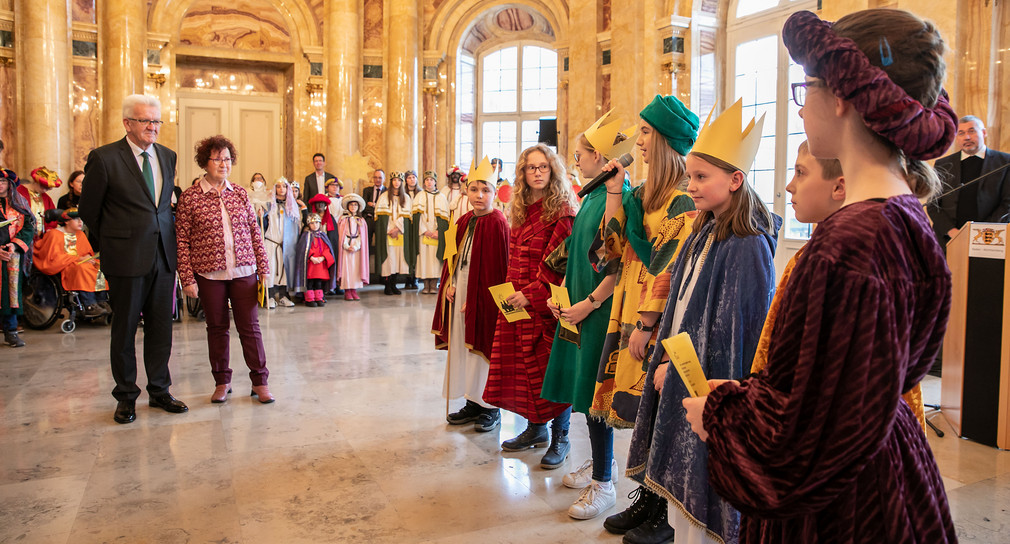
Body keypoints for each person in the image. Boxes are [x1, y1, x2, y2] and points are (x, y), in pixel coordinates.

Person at [685, 10, 959, 543]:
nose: (801, 102)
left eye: (803, 87)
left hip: (844, 504)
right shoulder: (902, 214)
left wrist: (721, 416)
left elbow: (805, 447)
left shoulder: (854, 242)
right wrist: (749, 397)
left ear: (837, 95)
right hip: (882, 464)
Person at [540, 111, 629, 521]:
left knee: (597, 397)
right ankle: (599, 462)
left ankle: (605, 485)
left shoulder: (619, 198)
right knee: (583, 390)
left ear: (600, 156)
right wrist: (563, 299)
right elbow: (581, 257)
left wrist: (589, 303)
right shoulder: (591, 195)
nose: (575, 162)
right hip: (578, 306)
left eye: (579, 155)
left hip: (599, 309)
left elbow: (617, 264)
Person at [78, 94, 188, 424]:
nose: (153, 127)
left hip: (163, 256)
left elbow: (163, 207)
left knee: (161, 327)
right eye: (146, 121)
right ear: (128, 123)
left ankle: (159, 390)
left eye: (157, 121)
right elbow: (89, 211)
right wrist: (112, 245)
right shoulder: (105, 157)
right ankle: (126, 396)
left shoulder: (168, 156)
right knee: (124, 328)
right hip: (125, 258)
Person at [483, 143, 578, 468]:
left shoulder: (563, 210)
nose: (537, 172)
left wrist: (532, 293)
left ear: (552, 171)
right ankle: (535, 429)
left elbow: (559, 264)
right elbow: (514, 256)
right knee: (526, 368)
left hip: (547, 303)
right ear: (523, 174)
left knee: (554, 371)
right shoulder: (520, 209)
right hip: (517, 302)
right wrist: (511, 294)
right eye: (530, 168)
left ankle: (560, 435)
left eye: (543, 167)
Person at [176, 135, 274, 404]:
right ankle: (222, 381)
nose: (223, 164)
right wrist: (187, 278)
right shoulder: (190, 197)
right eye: (217, 158)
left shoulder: (240, 193)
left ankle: (260, 381)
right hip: (209, 275)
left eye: (227, 159)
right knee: (217, 329)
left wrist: (263, 267)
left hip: (244, 271)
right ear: (204, 162)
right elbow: (181, 241)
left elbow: (255, 233)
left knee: (250, 329)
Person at [432, 156, 509, 432]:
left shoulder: (498, 222)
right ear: (466, 191)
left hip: (483, 298)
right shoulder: (463, 221)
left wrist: (478, 301)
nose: (479, 196)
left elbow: (499, 271)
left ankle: (490, 406)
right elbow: (452, 260)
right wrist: (450, 284)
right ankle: (472, 401)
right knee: (464, 349)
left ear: (494, 193)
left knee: (482, 349)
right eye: (475, 189)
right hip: (461, 290)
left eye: (485, 190)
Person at [928, 115, 1010, 248]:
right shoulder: (943, 164)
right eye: (961, 133)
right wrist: (953, 232)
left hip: (990, 240)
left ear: (983, 133)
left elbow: (1008, 203)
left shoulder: (1004, 162)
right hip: (949, 239)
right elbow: (933, 205)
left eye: (971, 131)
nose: (966, 137)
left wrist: (983, 232)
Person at [33, 208, 110, 318]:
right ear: (67, 221)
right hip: (64, 266)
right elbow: (53, 257)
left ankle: (101, 300)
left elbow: (87, 252)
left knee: (99, 267)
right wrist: (76, 258)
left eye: (81, 220)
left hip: (80, 263)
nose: (80, 222)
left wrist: (89, 258)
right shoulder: (54, 234)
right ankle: (89, 304)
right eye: (76, 219)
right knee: (83, 269)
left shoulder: (80, 234)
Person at [0, 169, 34, 348]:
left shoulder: (19, 204)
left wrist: (15, 245)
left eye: (3, 182)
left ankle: (11, 331)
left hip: (12, 254)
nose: (0, 185)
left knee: (10, 293)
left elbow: (29, 226)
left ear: (9, 185)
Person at [262, 178, 300, 308]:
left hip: (286, 244)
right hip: (272, 242)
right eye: (278, 186)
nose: (281, 189)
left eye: (284, 186)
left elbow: (296, 225)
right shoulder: (269, 204)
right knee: (271, 269)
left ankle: (284, 296)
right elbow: (262, 221)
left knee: (285, 270)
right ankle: (270, 296)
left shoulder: (291, 206)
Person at [411, 171, 450, 294]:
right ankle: (425, 285)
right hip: (423, 234)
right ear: (424, 182)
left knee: (434, 259)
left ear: (435, 182)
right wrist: (424, 230)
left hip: (436, 234)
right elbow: (417, 217)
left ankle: (434, 284)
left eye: (431, 180)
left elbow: (445, 217)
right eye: (427, 180)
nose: (429, 182)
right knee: (424, 259)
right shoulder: (419, 196)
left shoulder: (442, 197)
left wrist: (439, 231)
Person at [375, 171, 412, 295]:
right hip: (388, 234)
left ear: (401, 182)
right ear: (391, 182)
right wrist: (390, 230)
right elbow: (380, 218)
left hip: (400, 233)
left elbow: (407, 217)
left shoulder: (406, 198)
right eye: (394, 180)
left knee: (398, 259)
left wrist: (397, 229)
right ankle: (387, 285)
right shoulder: (384, 196)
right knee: (389, 259)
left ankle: (394, 284)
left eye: (399, 180)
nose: (396, 182)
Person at [293, 213, 336, 307]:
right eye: (312, 223)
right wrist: (311, 257)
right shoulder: (306, 236)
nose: (315, 225)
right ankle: (309, 299)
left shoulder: (322, 235)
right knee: (310, 282)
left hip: (320, 264)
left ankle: (319, 298)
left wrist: (323, 257)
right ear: (309, 224)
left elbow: (327, 248)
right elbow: (303, 249)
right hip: (310, 264)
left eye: (317, 223)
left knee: (319, 282)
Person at [337, 193, 369, 300]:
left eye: (355, 205)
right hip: (346, 247)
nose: (353, 207)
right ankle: (347, 290)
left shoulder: (361, 220)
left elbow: (362, 236)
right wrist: (346, 245)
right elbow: (341, 234)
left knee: (355, 268)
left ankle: (354, 290)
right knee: (347, 268)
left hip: (357, 247)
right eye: (351, 205)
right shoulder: (343, 220)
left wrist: (356, 246)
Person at [20, 166, 59, 237]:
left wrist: (49, 229)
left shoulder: (46, 198)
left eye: (48, 189)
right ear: (36, 181)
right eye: (43, 187)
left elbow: (52, 219)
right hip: (22, 235)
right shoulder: (19, 192)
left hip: (41, 238)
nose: (44, 190)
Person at [402, 170, 421, 290]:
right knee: (407, 248)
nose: (412, 180)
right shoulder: (402, 193)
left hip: (418, 223)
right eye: (409, 178)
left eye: (413, 177)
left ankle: (415, 278)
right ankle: (407, 278)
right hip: (407, 223)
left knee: (416, 249)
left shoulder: (421, 193)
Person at [361, 169, 385, 255]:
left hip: (381, 220)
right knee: (366, 242)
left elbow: (385, 208)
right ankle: (365, 263)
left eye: (380, 177)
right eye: (375, 177)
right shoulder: (367, 190)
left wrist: (375, 205)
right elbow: (364, 207)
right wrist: (377, 207)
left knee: (380, 243)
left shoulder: (387, 192)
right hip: (369, 218)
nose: (377, 180)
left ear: (384, 179)